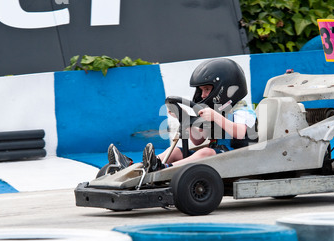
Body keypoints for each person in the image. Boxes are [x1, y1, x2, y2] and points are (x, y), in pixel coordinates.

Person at [107, 58, 258, 173]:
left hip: (238, 157)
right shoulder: (216, 112)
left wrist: (216, 117)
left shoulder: (243, 110)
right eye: (201, 90)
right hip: (217, 155)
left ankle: (163, 168)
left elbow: (240, 132)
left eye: (206, 89)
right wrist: (185, 118)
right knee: (177, 150)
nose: (203, 94)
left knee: (205, 152)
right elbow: (197, 140)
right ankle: (133, 168)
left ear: (223, 89)